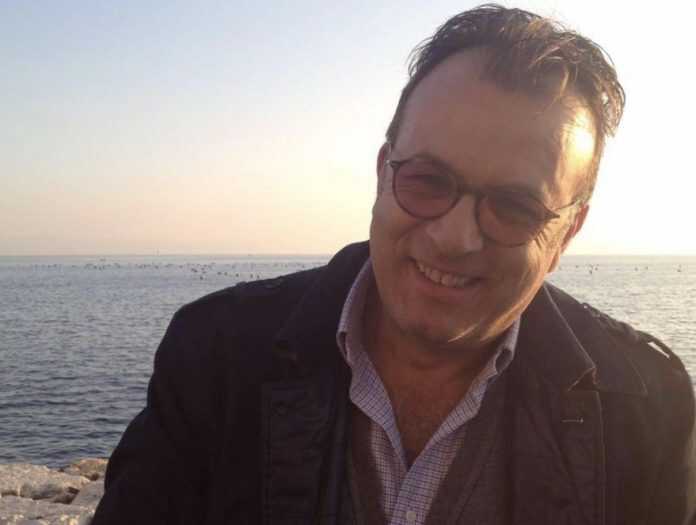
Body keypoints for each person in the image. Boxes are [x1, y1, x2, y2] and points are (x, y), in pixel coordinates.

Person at [92, 5, 696, 525]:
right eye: (428, 181)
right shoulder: (217, 359)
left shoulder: (645, 408)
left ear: (567, 232)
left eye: (514, 208)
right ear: (383, 173)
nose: (455, 238)